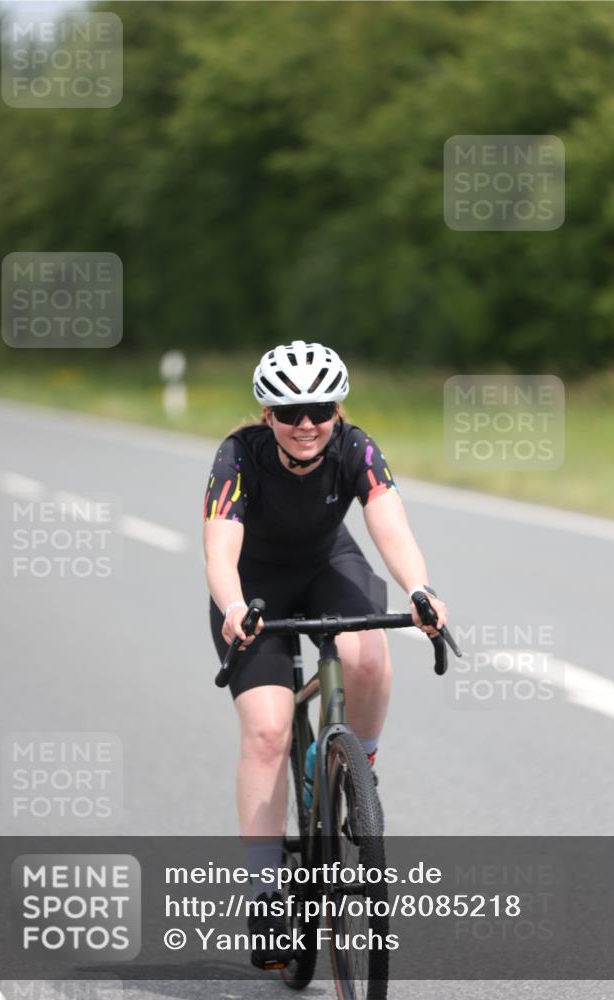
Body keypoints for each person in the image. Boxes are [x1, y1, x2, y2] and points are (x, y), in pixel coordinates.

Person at [203, 340, 447, 968]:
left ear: (338, 410)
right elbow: (220, 551)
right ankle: (265, 894)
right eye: (290, 412)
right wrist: (233, 606)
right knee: (267, 731)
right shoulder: (238, 456)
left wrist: (419, 589)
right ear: (268, 415)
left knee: (369, 656)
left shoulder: (356, 448)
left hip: (327, 565)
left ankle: (358, 765)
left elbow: (390, 525)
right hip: (253, 589)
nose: (306, 423)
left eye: (321, 409)